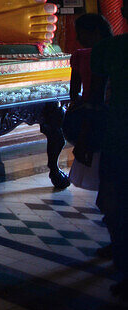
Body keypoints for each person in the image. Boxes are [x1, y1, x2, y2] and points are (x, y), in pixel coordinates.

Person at [90, 0, 128, 296]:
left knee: (116, 199)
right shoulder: (111, 49)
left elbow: (95, 98)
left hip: (118, 133)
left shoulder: (110, 50)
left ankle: (121, 254)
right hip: (118, 133)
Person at [65, 13, 112, 193]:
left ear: (95, 32)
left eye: (81, 33)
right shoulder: (113, 50)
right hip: (106, 112)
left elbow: (74, 92)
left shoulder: (82, 56)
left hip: (93, 114)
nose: (78, 38)